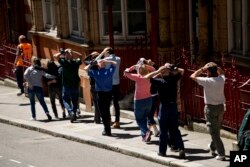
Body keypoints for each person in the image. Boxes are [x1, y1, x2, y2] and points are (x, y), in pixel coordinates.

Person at [144, 63, 186, 159]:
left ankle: (162, 151)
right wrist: (173, 68)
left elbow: (146, 77)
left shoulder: (159, 81)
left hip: (164, 107)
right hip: (173, 106)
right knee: (175, 129)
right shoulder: (174, 79)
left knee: (163, 131)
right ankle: (181, 148)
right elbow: (182, 71)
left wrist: (158, 71)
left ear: (162, 72)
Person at [190, 62, 226, 161]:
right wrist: (215, 66)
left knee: (213, 131)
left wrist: (202, 68)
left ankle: (221, 153)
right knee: (216, 129)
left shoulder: (207, 81)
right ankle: (213, 147)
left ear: (208, 72)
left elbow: (192, 76)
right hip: (220, 107)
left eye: (207, 71)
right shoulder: (221, 79)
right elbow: (222, 72)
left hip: (210, 108)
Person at [124, 62, 155, 142]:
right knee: (144, 118)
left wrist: (133, 66)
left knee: (139, 119)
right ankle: (144, 136)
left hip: (139, 101)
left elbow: (126, 72)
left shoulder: (137, 77)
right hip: (148, 100)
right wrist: (146, 66)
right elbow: (154, 69)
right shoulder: (150, 76)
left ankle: (147, 131)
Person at [86, 58, 117, 136]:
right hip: (108, 94)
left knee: (103, 112)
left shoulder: (96, 72)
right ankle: (107, 129)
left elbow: (86, 69)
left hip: (101, 94)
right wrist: (106, 61)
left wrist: (92, 64)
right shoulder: (108, 71)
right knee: (106, 111)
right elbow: (114, 63)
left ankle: (107, 129)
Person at [53, 48, 82, 123]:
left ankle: (70, 111)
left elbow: (55, 56)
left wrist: (62, 52)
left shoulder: (64, 62)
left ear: (65, 56)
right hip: (75, 85)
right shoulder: (75, 62)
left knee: (65, 99)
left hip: (66, 86)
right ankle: (74, 113)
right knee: (75, 101)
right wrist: (72, 51)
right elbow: (81, 56)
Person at [24, 56, 55, 121]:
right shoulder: (40, 70)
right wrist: (54, 77)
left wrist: (29, 83)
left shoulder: (30, 69)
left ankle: (33, 117)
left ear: (32, 62)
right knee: (42, 102)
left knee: (32, 103)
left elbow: (25, 75)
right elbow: (47, 76)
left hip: (31, 88)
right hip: (39, 87)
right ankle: (47, 113)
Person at [83, 51, 101, 124]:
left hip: (93, 86)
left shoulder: (90, 68)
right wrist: (99, 55)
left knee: (96, 103)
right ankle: (97, 118)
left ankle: (97, 119)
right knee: (99, 103)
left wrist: (91, 54)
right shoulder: (100, 67)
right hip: (100, 86)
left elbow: (85, 61)